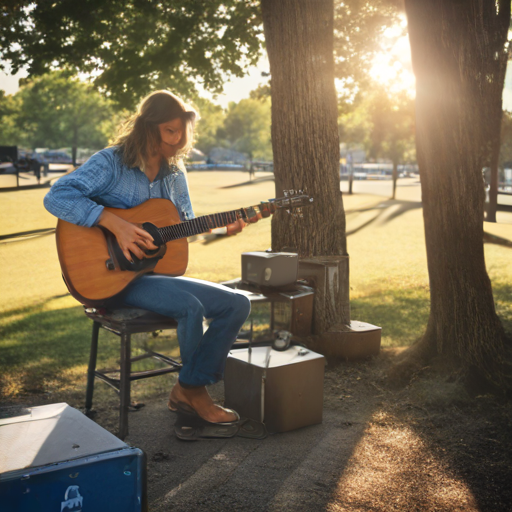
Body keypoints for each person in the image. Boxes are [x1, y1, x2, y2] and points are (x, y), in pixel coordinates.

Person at [44, 90, 253, 426]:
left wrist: (220, 229)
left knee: (238, 304)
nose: (179, 139)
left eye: (183, 131)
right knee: (191, 307)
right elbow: (58, 195)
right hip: (112, 277)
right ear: (148, 127)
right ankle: (197, 395)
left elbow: (181, 228)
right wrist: (115, 224)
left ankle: (186, 386)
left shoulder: (174, 173)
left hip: (151, 276)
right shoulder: (112, 162)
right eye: (171, 131)